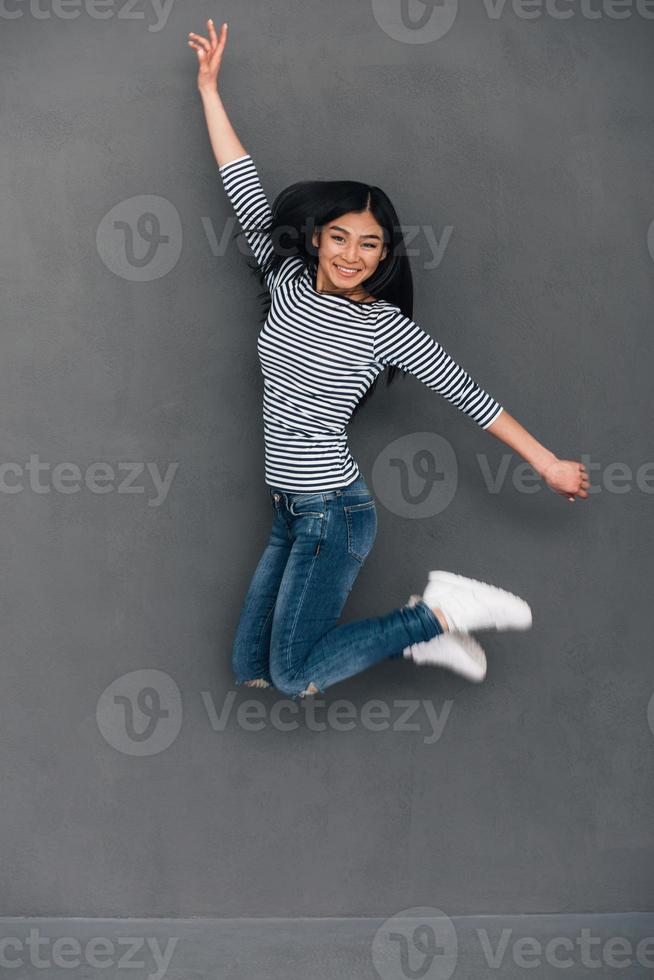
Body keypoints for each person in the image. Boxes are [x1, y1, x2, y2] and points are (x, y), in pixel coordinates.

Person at [188, 20, 590, 698]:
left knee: (294, 676)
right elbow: (242, 182)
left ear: (385, 255)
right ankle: (435, 630)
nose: (351, 254)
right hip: (291, 505)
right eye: (339, 237)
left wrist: (545, 461)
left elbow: (470, 395)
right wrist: (208, 88)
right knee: (250, 671)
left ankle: (436, 615)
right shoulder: (283, 278)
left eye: (368, 245)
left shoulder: (383, 328)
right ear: (315, 239)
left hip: (332, 512)